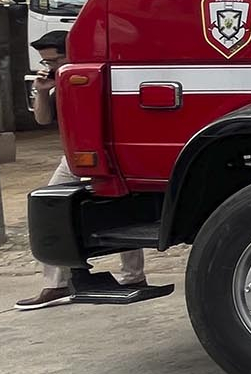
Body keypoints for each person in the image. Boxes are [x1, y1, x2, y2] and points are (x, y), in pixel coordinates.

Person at [14, 31, 172, 310]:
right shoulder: (57, 81)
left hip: (107, 153)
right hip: (72, 156)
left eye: (56, 59)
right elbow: (42, 120)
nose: (51, 66)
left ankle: (133, 277)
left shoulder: (97, 76)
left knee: (121, 210)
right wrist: (41, 91)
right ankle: (55, 284)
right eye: (46, 62)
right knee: (50, 208)